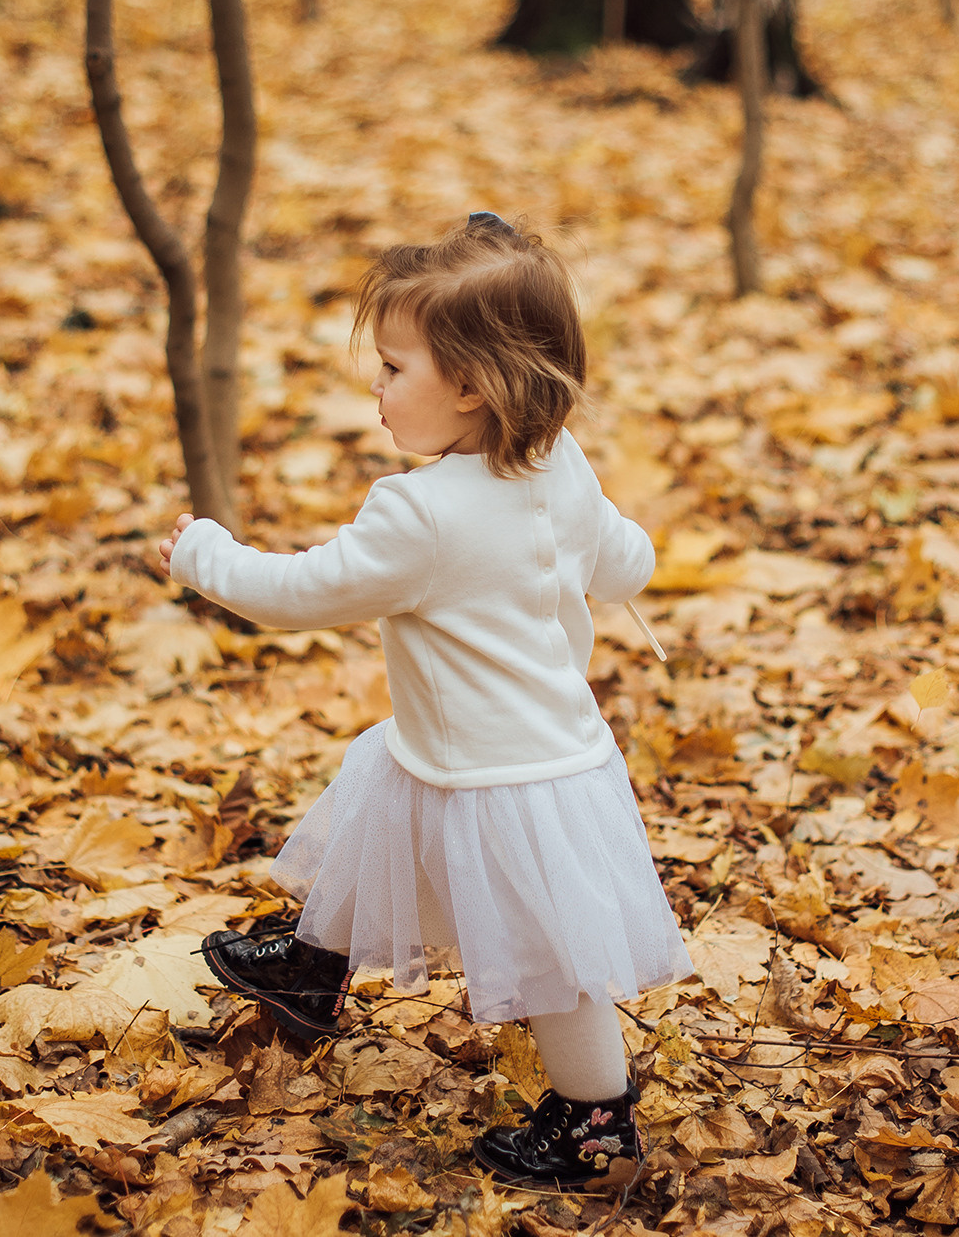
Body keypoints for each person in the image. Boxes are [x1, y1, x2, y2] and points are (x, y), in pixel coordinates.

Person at [156, 212, 693, 1189]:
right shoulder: (557, 464)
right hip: (521, 755)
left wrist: (204, 556)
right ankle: (315, 964)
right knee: (384, 800)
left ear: (471, 388)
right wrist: (601, 567)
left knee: (551, 963)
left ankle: (593, 1121)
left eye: (393, 368)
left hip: (502, 780)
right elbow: (627, 556)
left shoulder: (419, 514)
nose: (375, 384)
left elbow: (295, 595)